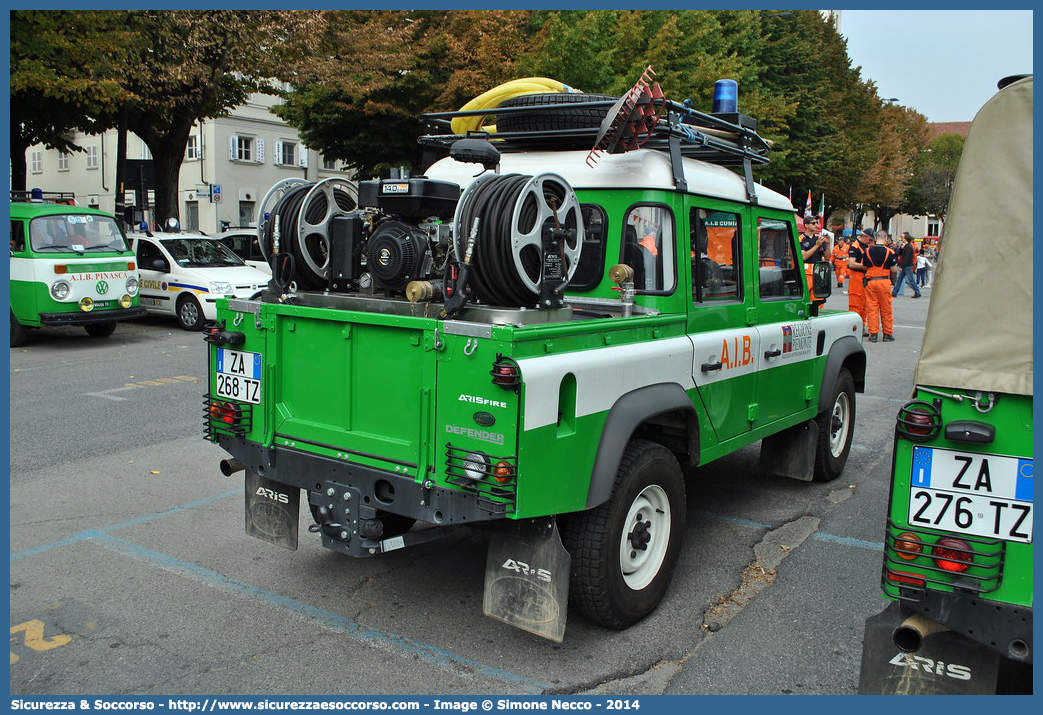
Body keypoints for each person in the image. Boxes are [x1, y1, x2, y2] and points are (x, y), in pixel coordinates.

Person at [855, 230, 899, 342]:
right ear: (885, 239)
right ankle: (887, 334)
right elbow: (894, 269)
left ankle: (873, 334)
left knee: (872, 308)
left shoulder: (867, 251)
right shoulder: (890, 252)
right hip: (884, 281)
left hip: (870, 281)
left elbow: (864, 265)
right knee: (886, 308)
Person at [847, 228, 871, 333]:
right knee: (856, 302)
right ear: (864, 237)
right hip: (856, 276)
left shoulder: (865, 246)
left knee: (864, 303)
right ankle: (854, 326)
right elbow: (851, 263)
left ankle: (862, 325)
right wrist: (865, 267)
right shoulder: (854, 247)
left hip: (864, 276)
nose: (870, 242)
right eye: (869, 239)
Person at [799, 216, 830, 297]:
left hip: (817, 271)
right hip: (806, 272)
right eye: (813, 223)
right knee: (806, 296)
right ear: (806, 225)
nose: (816, 225)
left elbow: (827, 257)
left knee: (818, 298)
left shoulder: (819, 238)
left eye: (817, 223)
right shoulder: (801, 239)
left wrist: (828, 244)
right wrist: (817, 246)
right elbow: (803, 257)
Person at [891, 232, 922, 298]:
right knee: (900, 279)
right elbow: (900, 254)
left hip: (907, 265)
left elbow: (906, 257)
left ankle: (917, 292)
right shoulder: (905, 246)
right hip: (905, 265)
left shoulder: (909, 247)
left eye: (902, 237)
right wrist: (901, 249)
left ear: (905, 238)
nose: (901, 238)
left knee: (910, 280)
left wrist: (901, 266)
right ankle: (894, 292)